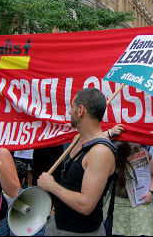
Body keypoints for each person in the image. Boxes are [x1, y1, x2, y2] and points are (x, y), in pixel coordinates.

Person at [37, 87, 116, 235]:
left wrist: (51, 186)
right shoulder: (77, 139)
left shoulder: (100, 152)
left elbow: (86, 205)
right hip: (58, 224)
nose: (69, 112)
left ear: (80, 110)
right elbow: (69, 181)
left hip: (79, 232)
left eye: (71, 107)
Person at [108, 140, 153, 235]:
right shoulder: (108, 153)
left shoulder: (140, 152)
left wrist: (151, 192)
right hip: (117, 206)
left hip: (140, 204)